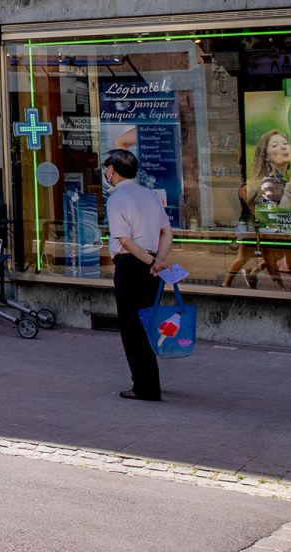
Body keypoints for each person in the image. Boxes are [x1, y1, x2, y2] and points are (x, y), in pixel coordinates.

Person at [103, 148, 173, 402]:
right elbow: (167, 232)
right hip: (152, 267)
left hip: (131, 265)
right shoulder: (149, 195)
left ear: (112, 171)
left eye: (106, 169)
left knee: (132, 328)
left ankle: (144, 386)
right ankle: (149, 380)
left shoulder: (117, 199)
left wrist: (151, 261)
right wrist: (159, 261)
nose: (105, 174)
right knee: (147, 323)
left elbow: (125, 240)